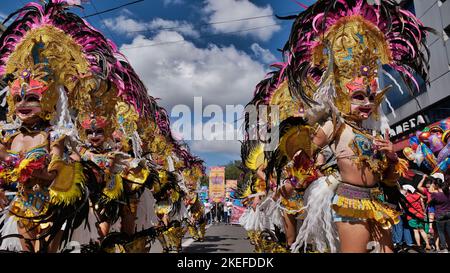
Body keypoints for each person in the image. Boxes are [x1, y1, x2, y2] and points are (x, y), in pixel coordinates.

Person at [402, 185, 431, 250]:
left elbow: (404, 208)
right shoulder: (418, 196)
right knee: (422, 230)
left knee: (415, 231)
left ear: (407, 190)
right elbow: (423, 206)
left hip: (411, 216)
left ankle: (419, 246)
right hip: (420, 215)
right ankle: (427, 244)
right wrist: (423, 212)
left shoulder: (406, 198)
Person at [428, 173, 450, 252]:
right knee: (448, 231)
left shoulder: (435, 194)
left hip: (439, 214)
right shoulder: (448, 192)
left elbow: (429, 200)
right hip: (448, 213)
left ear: (436, 185)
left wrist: (432, 186)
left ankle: (444, 248)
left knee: (441, 232)